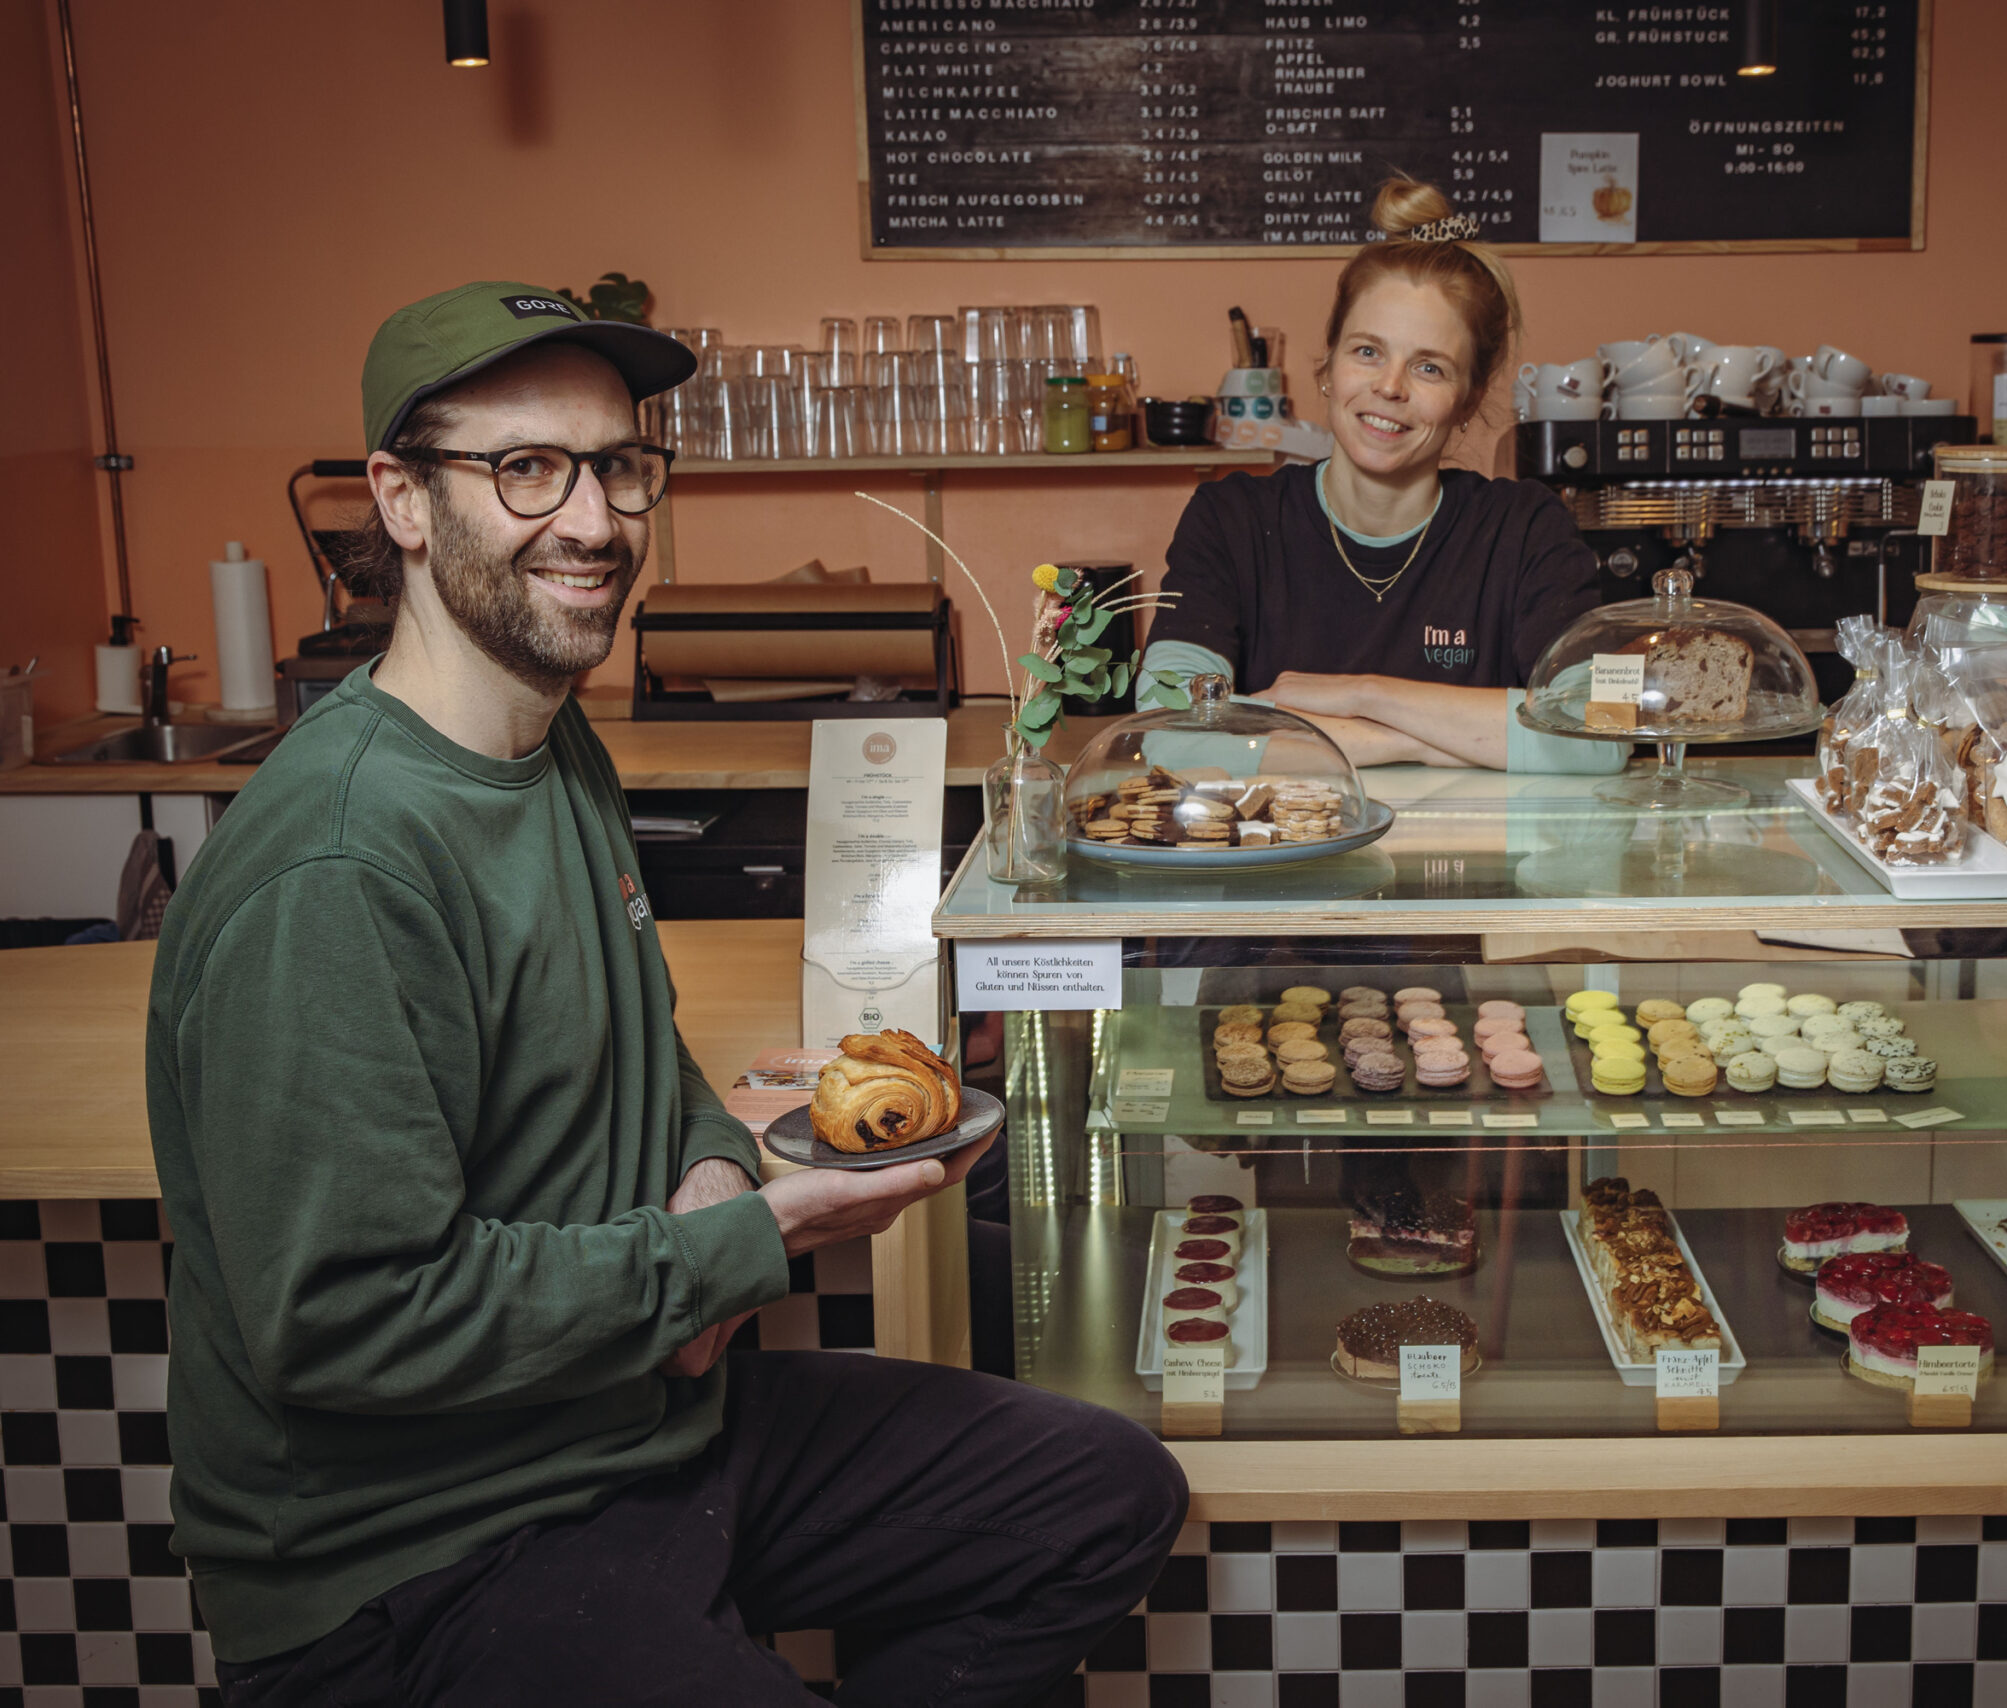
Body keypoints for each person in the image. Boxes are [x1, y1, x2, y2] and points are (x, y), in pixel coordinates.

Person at [145, 282, 1186, 1706]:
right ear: (398, 499)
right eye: (524, 468)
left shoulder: (550, 748)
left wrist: (706, 1163)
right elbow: (346, 1318)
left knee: (1096, 1490)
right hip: (422, 1553)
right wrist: (733, 1251)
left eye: (619, 465)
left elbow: (640, 1052)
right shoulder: (336, 864)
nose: (592, 520)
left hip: (635, 1428)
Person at [1144, 178, 1627, 773]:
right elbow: (1169, 729)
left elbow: (1605, 731)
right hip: (1288, 864)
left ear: (1469, 399)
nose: (1390, 387)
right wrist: (1440, 742)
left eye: (1429, 366)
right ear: (1329, 364)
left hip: (1472, 863)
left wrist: (1363, 697)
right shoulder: (1230, 519)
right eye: (1368, 351)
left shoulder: (1525, 528)